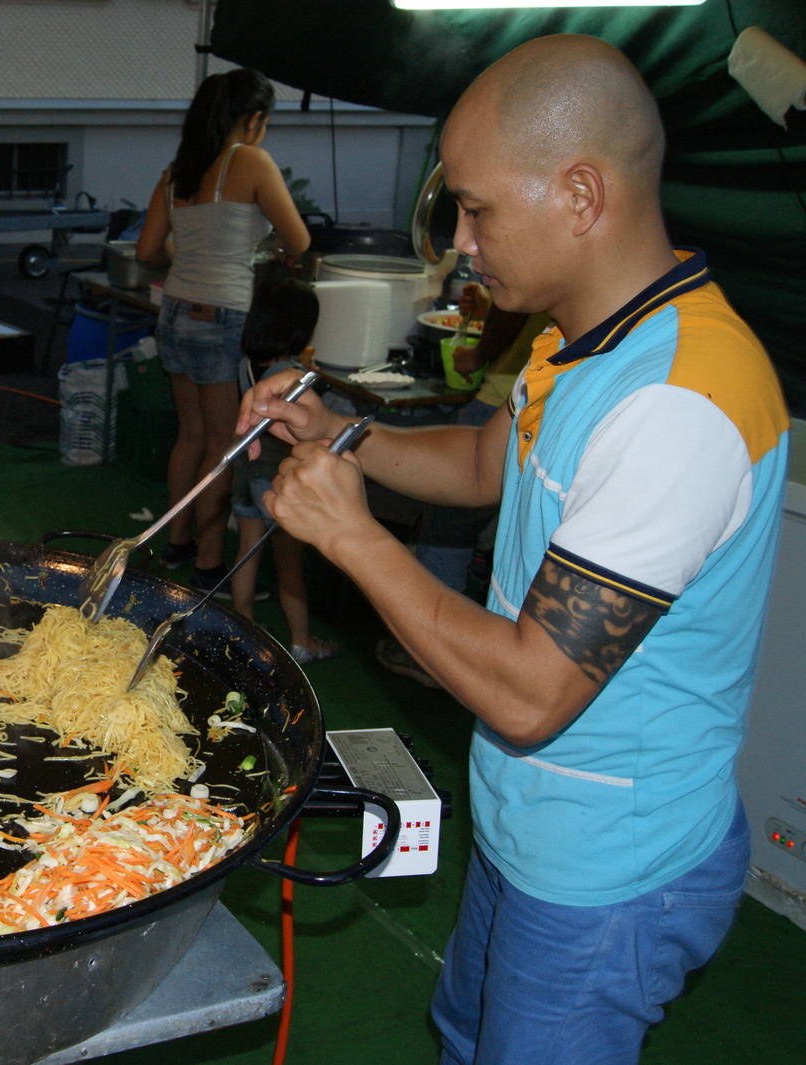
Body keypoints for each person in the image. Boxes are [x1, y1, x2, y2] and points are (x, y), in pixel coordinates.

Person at [239, 35, 786, 1064]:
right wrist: (340, 432)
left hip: (608, 868)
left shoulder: (677, 404)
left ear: (581, 195)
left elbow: (532, 693)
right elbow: (488, 462)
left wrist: (353, 536)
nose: (460, 241)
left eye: (477, 210)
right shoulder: (578, 339)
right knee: (465, 1033)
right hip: (529, 823)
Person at [135, 67, 309, 596]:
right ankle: (209, 565)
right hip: (221, 316)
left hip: (174, 311)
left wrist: (191, 254)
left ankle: (177, 541)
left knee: (189, 435)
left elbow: (147, 251)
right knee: (222, 443)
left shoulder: (177, 173)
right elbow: (299, 240)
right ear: (252, 119)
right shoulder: (250, 161)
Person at [375, 288, 552, 688]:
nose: (469, 253)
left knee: (448, 527)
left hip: (496, 394)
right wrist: (336, 431)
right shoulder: (553, 344)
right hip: (505, 394)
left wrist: (352, 534)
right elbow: (476, 465)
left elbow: (532, 706)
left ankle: (431, 651)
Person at [227, 271, 333, 664]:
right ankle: (302, 641)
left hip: (245, 471)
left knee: (247, 552)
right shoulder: (291, 375)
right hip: (274, 478)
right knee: (290, 567)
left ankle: (241, 629)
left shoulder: (247, 364)